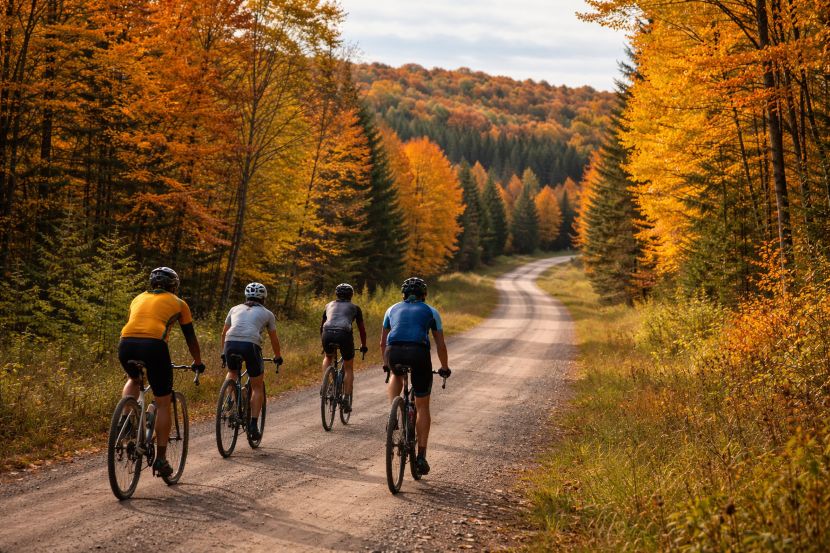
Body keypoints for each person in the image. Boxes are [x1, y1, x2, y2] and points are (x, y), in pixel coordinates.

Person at [119, 266, 205, 478]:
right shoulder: (179, 303)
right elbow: (190, 338)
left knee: (134, 377)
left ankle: (125, 421)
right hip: (154, 346)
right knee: (163, 402)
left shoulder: (137, 298)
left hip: (125, 343)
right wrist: (198, 361)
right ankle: (161, 458)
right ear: (174, 286)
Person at [381, 277, 451, 475]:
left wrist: (387, 364)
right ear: (424, 295)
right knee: (422, 406)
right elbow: (441, 345)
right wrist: (444, 367)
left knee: (396, 374)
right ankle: (421, 456)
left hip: (393, 351)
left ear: (403, 295)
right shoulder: (431, 311)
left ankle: (393, 414)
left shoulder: (391, 309)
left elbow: (382, 342)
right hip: (418, 354)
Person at [221, 282, 283, 442]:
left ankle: (229, 401)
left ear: (246, 296)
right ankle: (254, 425)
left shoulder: (234, 308)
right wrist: (278, 356)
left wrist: (223, 352)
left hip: (230, 342)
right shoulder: (268, 314)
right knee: (257, 386)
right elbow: (273, 338)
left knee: (233, 372)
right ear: (264, 298)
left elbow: (224, 332)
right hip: (251, 344)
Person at [320, 283, 368, 414]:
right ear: (351, 295)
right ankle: (346, 399)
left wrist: (323, 344)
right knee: (348, 367)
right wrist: (363, 345)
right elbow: (362, 330)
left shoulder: (328, 305)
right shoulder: (355, 308)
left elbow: (322, 325)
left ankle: (326, 386)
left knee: (328, 356)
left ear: (337, 294)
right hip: (344, 334)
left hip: (327, 333)